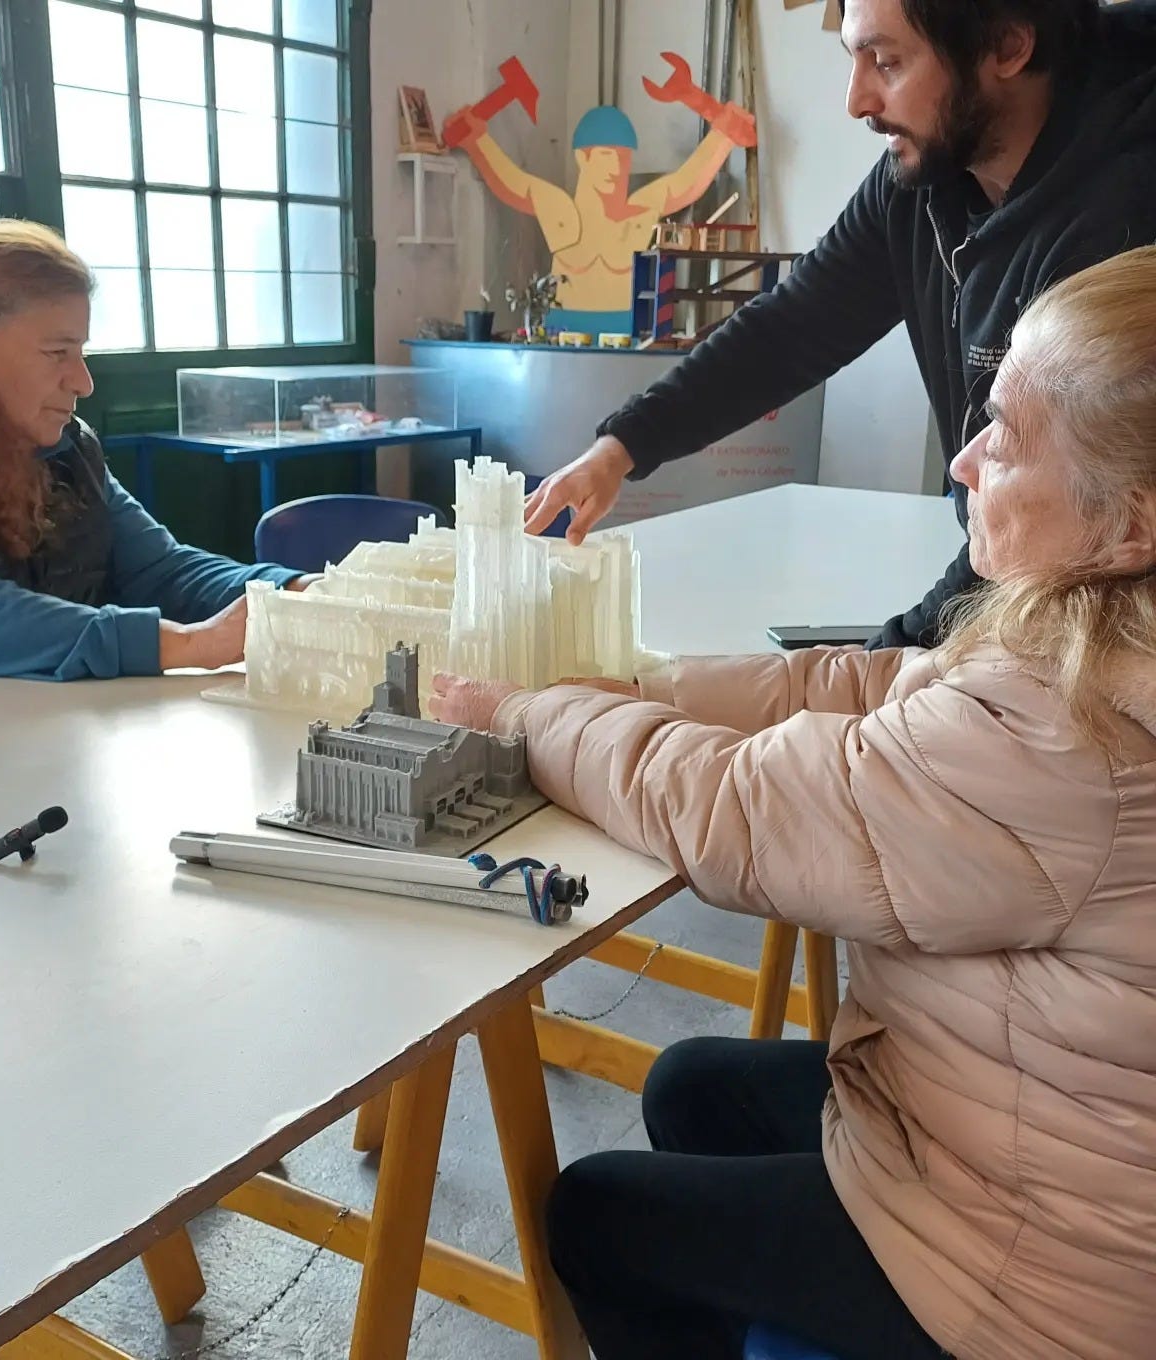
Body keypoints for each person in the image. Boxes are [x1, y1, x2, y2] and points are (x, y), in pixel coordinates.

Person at [431, 246, 1156, 1359]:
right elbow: (868, 685)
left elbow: (739, 813)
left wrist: (531, 718)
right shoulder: (1100, 649)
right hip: (1042, 1132)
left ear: (1129, 523)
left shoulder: (1072, 733)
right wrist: (635, 688)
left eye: (1004, 438)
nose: (962, 461)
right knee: (693, 1084)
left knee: (597, 1216)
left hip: (1040, 1277)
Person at [523, 0, 1156, 651]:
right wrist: (623, 445)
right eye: (853, 57)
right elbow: (791, 327)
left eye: (886, 61)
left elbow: (1051, 536)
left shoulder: (1123, 220)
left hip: (1102, 638)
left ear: (1007, 46)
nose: (856, 100)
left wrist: (878, 669)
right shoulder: (923, 179)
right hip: (1011, 587)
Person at [0, 221, 314, 715]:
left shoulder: (63, 445)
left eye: (81, 351)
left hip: (19, 731)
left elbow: (159, 570)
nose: (83, 382)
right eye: (57, 351)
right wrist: (186, 644)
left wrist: (292, 596)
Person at [443, 99, 756, 336]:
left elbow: (684, 183)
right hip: (563, 337)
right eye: (607, 156)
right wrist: (475, 140)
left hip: (627, 337)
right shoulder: (561, 211)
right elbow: (513, 182)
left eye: (623, 158)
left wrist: (723, 138)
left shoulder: (640, 212)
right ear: (583, 157)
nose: (616, 168)